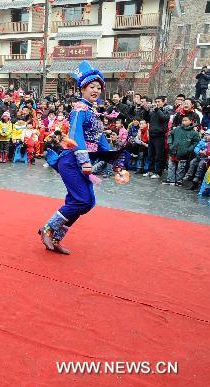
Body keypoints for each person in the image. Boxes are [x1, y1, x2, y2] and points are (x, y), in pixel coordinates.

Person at [39, 61, 125, 255]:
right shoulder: (79, 110)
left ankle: (55, 237)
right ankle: (47, 229)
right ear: (82, 89)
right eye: (91, 87)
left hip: (84, 163)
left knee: (86, 203)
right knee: (82, 201)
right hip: (72, 162)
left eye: (98, 87)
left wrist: (117, 164)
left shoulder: (94, 113)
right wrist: (85, 161)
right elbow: (76, 135)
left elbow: (102, 142)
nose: (95, 90)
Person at [164, 113, 200, 185]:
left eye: (186, 120)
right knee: (171, 166)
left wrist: (189, 149)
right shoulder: (177, 129)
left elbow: (195, 142)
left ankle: (179, 181)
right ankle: (170, 179)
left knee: (181, 168)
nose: (183, 122)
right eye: (183, 120)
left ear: (191, 121)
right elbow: (170, 135)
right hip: (173, 150)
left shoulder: (194, 133)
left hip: (184, 152)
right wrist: (170, 144)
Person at [146, 96, 171, 179]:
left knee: (158, 155)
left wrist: (157, 110)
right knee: (150, 154)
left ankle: (158, 172)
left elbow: (163, 118)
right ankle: (150, 170)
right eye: (156, 101)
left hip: (159, 136)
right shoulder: (153, 112)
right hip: (152, 135)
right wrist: (146, 110)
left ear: (163, 102)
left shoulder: (167, 111)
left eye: (159, 101)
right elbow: (147, 119)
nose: (157, 103)